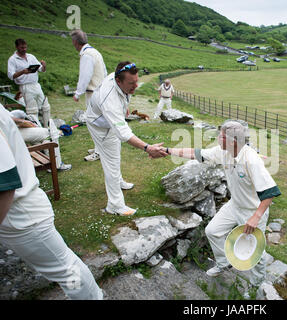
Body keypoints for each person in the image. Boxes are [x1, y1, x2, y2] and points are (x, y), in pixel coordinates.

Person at [0, 103, 103, 300]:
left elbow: (5, 184)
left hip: (21, 216)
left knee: (67, 270)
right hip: (20, 213)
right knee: (66, 268)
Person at [166, 120, 281, 287]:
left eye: (221, 136)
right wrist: (167, 150)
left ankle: (257, 286)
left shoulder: (251, 160)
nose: (218, 137)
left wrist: (256, 217)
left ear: (233, 141)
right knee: (212, 231)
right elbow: (195, 153)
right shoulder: (224, 152)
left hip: (252, 211)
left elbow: (270, 192)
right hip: (235, 205)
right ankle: (224, 263)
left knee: (258, 255)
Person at [85, 61, 167, 216]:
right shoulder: (109, 99)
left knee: (116, 155)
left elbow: (122, 96)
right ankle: (114, 205)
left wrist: (125, 106)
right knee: (111, 162)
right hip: (100, 126)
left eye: (136, 81)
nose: (135, 86)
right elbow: (123, 133)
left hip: (108, 121)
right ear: (118, 81)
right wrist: (148, 148)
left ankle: (119, 181)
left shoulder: (119, 79)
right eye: (131, 83)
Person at [70, 29, 107, 162]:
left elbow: (85, 76)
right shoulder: (94, 51)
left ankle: (99, 152)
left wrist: (78, 93)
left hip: (93, 93)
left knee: (94, 122)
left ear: (75, 42)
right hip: (100, 91)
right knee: (97, 121)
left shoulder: (86, 54)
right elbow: (104, 70)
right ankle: (98, 147)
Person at [7, 39, 51, 128]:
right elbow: (11, 76)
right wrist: (22, 72)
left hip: (36, 84)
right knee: (32, 110)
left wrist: (44, 65)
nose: (24, 49)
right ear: (17, 47)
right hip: (25, 86)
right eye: (22, 47)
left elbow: (41, 69)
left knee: (45, 107)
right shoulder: (12, 59)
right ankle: (37, 130)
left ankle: (47, 128)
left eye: (25, 47)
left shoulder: (31, 56)